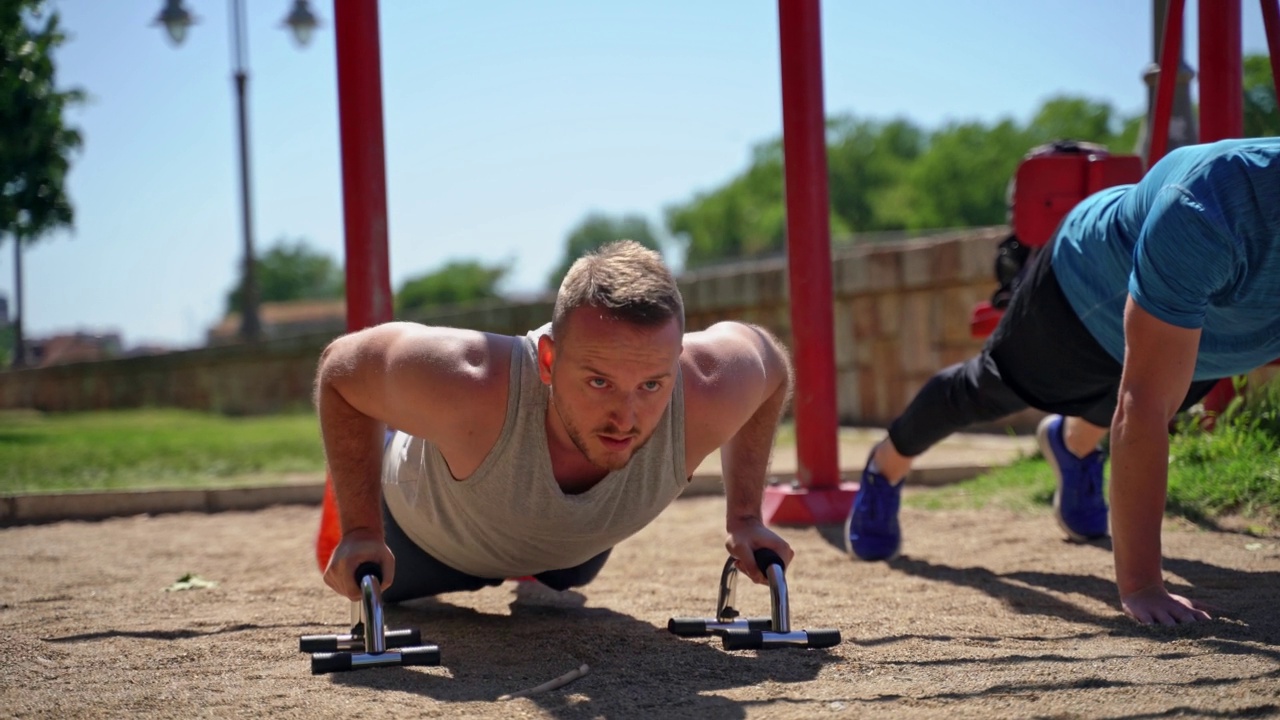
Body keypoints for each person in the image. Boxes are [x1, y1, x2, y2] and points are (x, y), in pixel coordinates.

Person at [844, 137, 1280, 625]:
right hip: (1089, 285)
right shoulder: (1213, 203)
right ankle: (886, 465)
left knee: (1168, 386)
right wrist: (1143, 586)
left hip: (1221, 328)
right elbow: (1142, 406)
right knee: (992, 387)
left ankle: (1071, 445)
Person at [314, 240, 795, 604]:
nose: (626, 418)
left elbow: (770, 364)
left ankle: (545, 564)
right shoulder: (473, 381)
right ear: (548, 360)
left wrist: (747, 518)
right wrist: (360, 529)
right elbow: (340, 370)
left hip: (571, 554)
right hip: (423, 546)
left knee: (567, 576)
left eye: (651, 385)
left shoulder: (707, 386)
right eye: (599, 383)